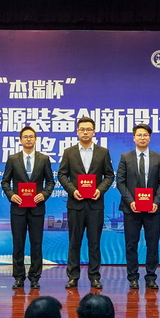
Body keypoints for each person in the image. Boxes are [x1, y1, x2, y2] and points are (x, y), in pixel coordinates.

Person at [58, 117, 115, 289]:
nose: (85, 132)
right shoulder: (69, 152)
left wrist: (100, 190)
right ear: (77, 131)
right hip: (75, 204)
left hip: (95, 205)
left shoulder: (102, 152)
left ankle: (94, 277)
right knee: (74, 242)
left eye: (88, 129)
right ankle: (73, 277)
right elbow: (62, 175)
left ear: (94, 132)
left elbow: (109, 175)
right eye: (82, 129)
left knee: (94, 243)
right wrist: (72, 190)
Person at [2, 126, 54, 290]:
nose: (28, 139)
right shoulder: (13, 159)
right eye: (25, 137)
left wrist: (44, 194)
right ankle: (18, 277)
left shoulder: (44, 159)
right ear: (20, 140)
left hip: (37, 208)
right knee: (18, 244)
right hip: (18, 208)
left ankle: (34, 277)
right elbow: (5, 182)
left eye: (31, 136)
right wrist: (11, 195)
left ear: (36, 139)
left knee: (36, 244)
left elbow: (50, 182)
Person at [116, 124, 160, 290]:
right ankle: (133, 277)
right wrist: (130, 201)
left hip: (152, 209)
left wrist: (156, 201)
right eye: (139, 135)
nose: (142, 138)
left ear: (149, 138)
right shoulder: (125, 157)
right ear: (134, 138)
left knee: (152, 244)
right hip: (131, 209)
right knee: (131, 244)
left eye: (145, 135)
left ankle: (151, 277)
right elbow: (120, 181)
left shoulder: (158, 158)